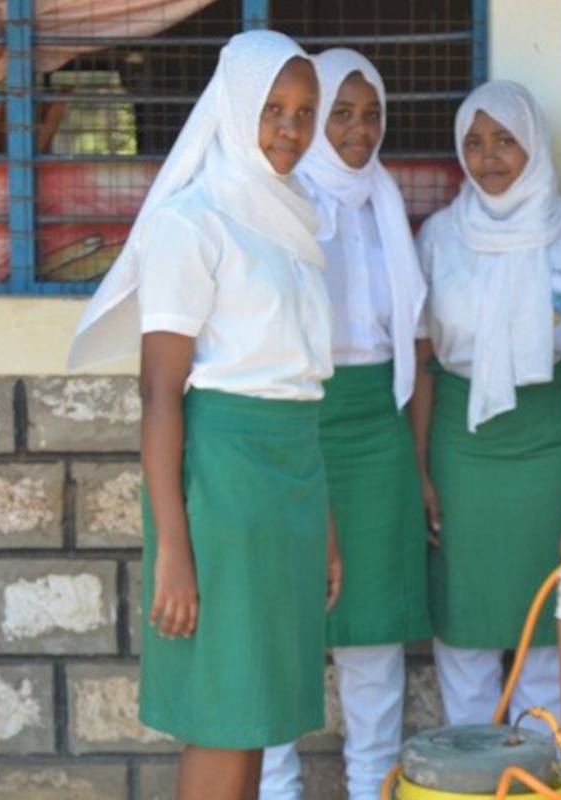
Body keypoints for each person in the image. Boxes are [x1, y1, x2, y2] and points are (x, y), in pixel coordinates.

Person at [68, 30, 341, 800]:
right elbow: (160, 392)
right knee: (223, 715)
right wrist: (174, 551)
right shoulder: (194, 222)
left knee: (257, 715)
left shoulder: (295, 219)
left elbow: (296, 384)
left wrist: (321, 522)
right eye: (272, 110)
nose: (290, 130)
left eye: (304, 112)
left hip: (290, 480)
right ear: (231, 107)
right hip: (223, 484)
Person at [414, 80, 561, 730]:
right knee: (465, 625)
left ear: (534, 144)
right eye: (474, 142)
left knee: (549, 622)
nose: (489, 157)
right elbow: (422, 360)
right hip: (460, 444)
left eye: (505, 140)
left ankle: (539, 769)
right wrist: (419, 466)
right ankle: (470, 770)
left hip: (550, 446)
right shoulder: (440, 238)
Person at [258, 49, 429, 800]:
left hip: (378, 427)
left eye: (371, 114)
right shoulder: (281, 203)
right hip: (297, 422)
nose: (359, 132)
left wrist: (417, 461)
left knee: (373, 633)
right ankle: (277, 788)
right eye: (341, 114)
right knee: (283, 630)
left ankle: (373, 788)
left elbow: (412, 341)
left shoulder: (384, 203)